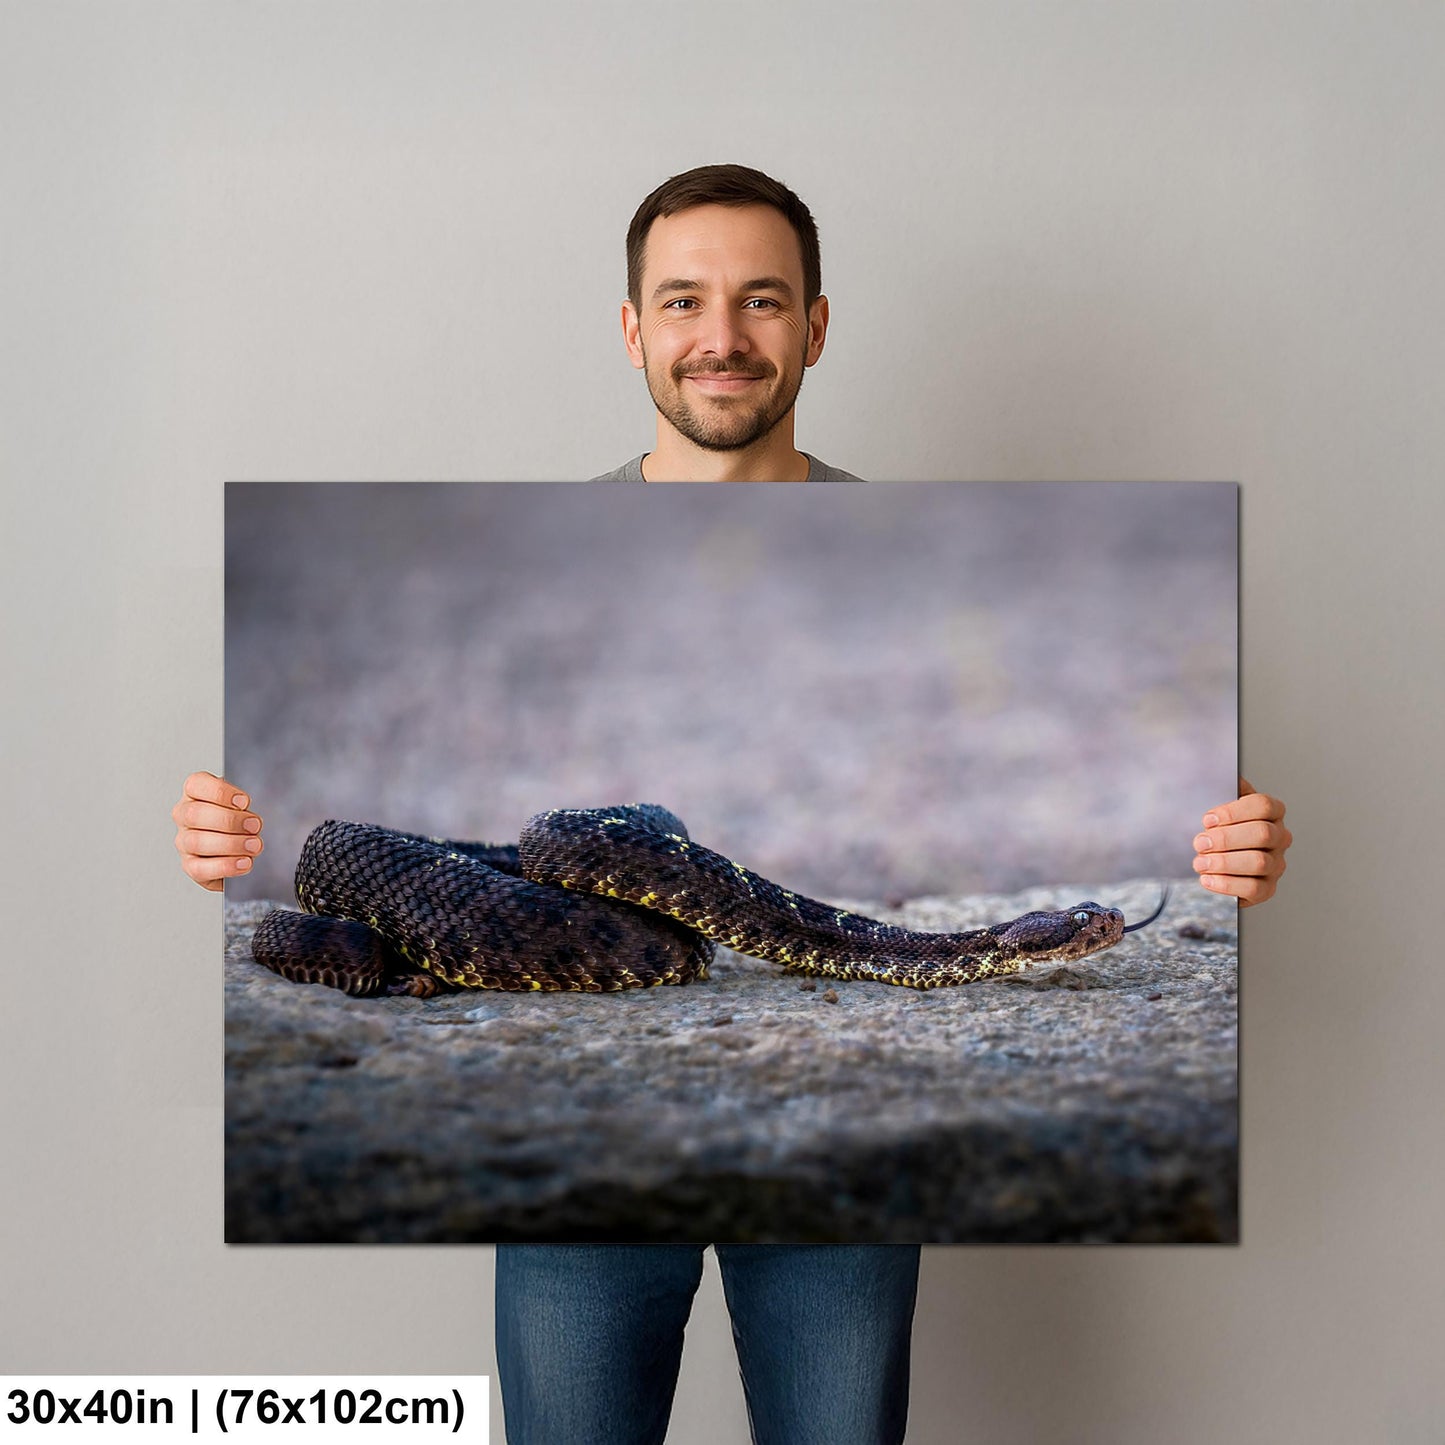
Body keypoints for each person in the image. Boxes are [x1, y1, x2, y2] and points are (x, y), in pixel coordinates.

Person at [173, 165, 1292, 1445]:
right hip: (582, 1198)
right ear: (633, 326)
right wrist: (217, 843)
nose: (721, 336)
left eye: (761, 301)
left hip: (823, 1210)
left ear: (814, 325)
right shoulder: (558, 531)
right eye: (684, 300)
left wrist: (1242, 843)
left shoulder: (897, 536)